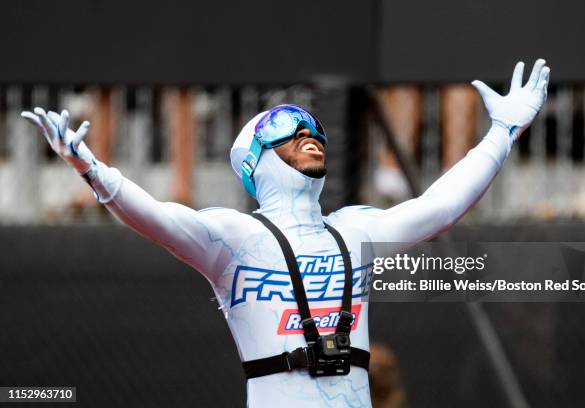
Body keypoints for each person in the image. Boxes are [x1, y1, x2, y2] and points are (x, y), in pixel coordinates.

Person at [22, 59, 550, 408]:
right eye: (287, 131)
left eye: (314, 130)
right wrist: (91, 168)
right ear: (253, 160)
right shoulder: (233, 240)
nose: (309, 135)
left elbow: (442, 206)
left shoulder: (356, 230)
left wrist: (503, 132)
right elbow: (157, 219)